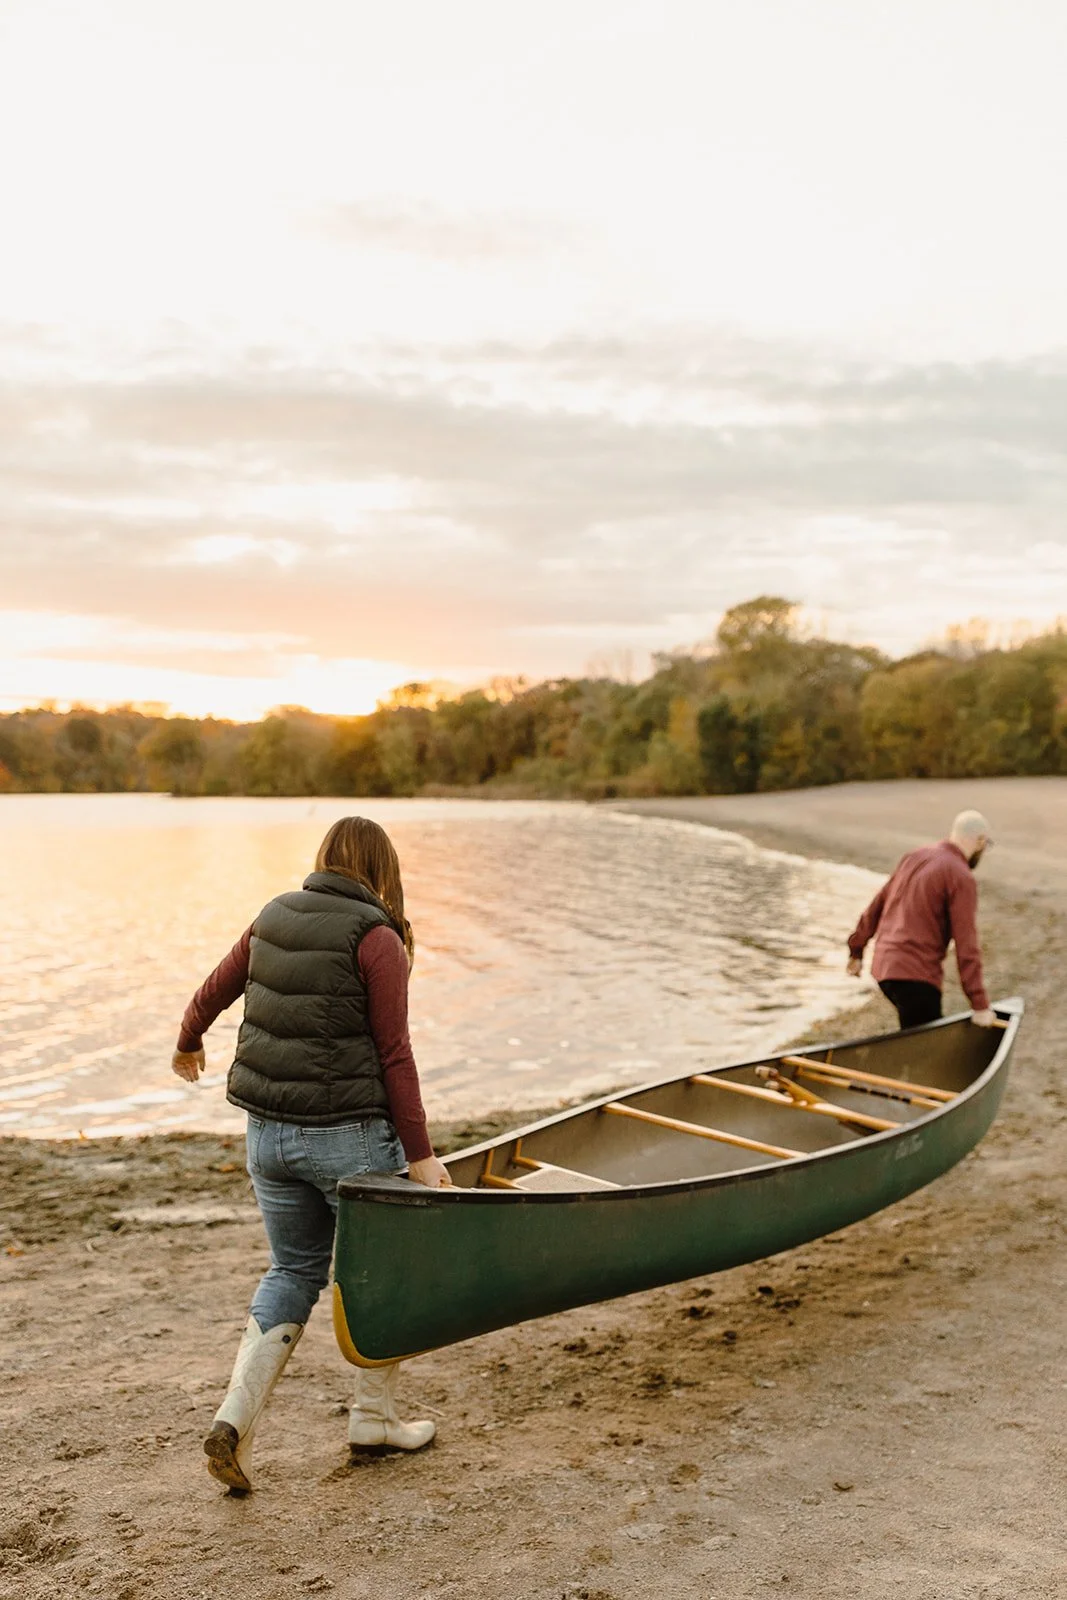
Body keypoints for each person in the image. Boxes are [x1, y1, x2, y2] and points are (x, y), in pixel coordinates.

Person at [171, 815, 451, 1495]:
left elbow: (214, 986)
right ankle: (374, 1418)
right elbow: (395, 1054)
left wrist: (188, 1040)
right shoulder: (376, 936)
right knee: (382, 1273)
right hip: (347, 1138)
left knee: (292, 1270)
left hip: (266, 1135)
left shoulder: (274, 912)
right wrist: (419, 1154)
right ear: (382, 870)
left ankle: (234, 1419)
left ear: (324, 858)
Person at [846, 809, 998, 1031]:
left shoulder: (915, 857)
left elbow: (876, 905)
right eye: (986, 845)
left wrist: (856, 950)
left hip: (883, 967)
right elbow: (967, 943)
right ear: (981, 841)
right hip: (915, 974)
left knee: (915, 1033)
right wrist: (980, 1004)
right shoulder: (960, 875)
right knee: (925, 1045)